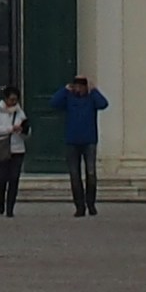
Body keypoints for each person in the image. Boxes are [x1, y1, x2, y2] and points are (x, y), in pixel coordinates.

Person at [54, 70, 110, 214]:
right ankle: (79, 206)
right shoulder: (68, 98)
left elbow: (103, 104)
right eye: (76, 85)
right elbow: (54, 103)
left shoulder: (91, 98)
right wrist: (64, 90)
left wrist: (94, 90)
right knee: (74, 174)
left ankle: (91, 203)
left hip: (89, 140)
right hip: (72, 140)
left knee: (91, 173)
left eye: (81, 85)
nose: (78, 88)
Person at [0, 83, 30, 216]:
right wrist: (10, 129)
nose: (13, 102)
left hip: (17, 149)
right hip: (2, 148)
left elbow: (27, 132)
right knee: (1, 178)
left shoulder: (20, 112)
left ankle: (10, 207)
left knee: (14, 178)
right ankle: (1, 201)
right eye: (11, 99)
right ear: (5, 99)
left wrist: (23, 130)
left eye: (15, 100)